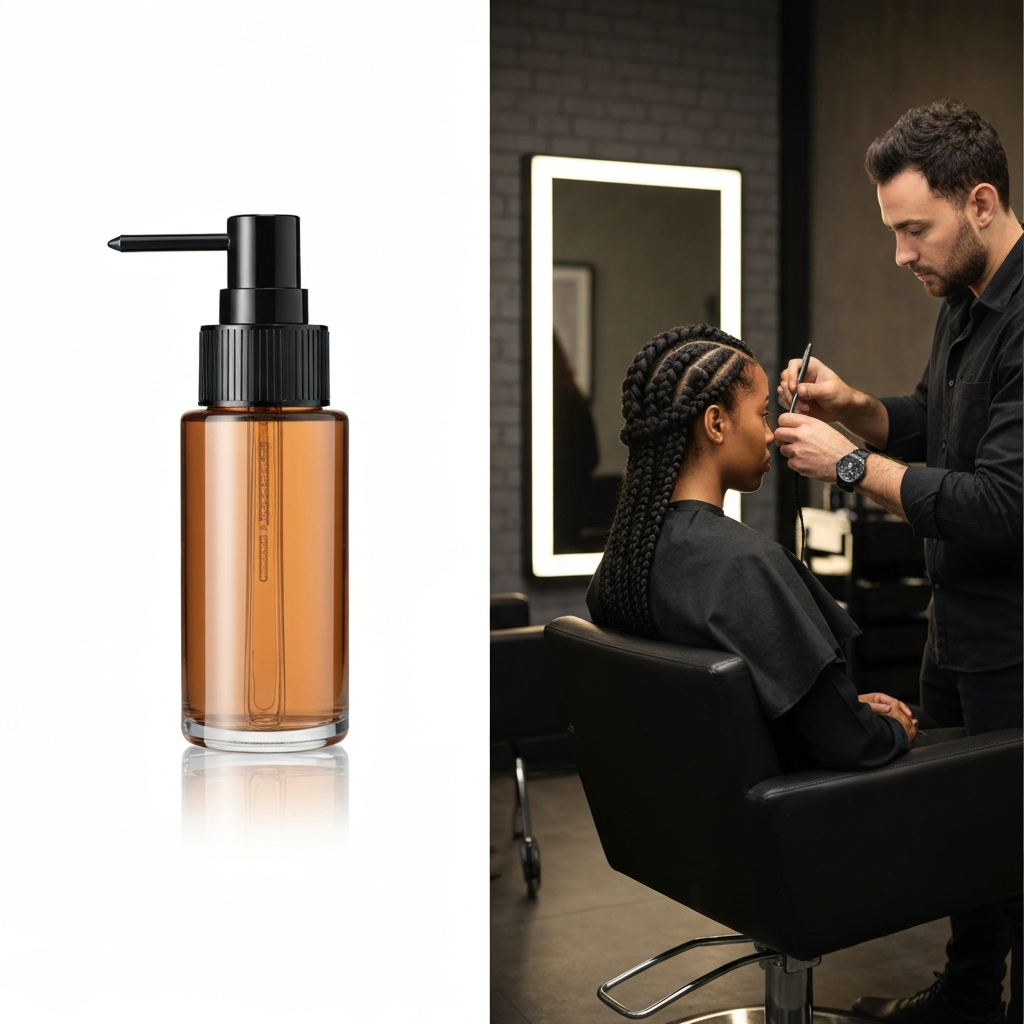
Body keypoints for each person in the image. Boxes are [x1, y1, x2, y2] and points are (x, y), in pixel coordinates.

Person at [775, 100, 1022, 1024]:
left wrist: (846, 463)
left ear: (983, 202)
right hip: (953, 624)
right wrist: (854, 406)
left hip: (1017, 642)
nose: (901, 254)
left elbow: (1006, 503)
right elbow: (931, 422)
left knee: (1016, 853)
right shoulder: (962, 304)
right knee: (969, 842)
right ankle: (965, 1002)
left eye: (915, 229)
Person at [586, 324, 921, 773]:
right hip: (796, 818)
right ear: (716, 423)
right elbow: (854, 746)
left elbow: (724, 717)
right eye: (762, 415)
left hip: (695, 813)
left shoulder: (624, 561)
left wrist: (839, 709)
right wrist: (892, 729)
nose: (770, 434)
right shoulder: (744, 566)